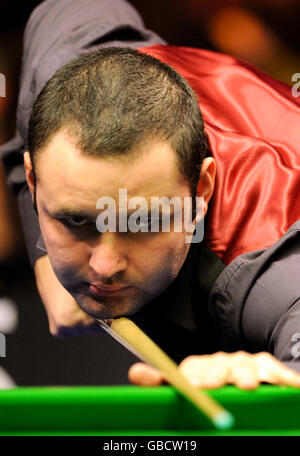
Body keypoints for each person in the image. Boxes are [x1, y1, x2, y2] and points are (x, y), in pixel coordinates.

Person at [1, 0, 300, 390]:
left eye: (143, 222)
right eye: (76, 220)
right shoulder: (67, 70)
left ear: (201, 190)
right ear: (34, 176)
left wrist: (270, 390)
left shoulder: (269, 268)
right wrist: (45, 256)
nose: (105, 266)